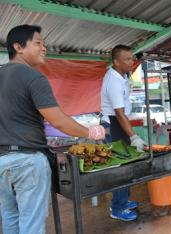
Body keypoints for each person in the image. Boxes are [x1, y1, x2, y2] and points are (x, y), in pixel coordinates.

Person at [0, 25, 105, 234]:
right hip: (27, 162)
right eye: (38, 43)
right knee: (31, 224)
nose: (44, 48)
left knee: (11, 219)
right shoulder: (33, 77)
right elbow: (58, 120)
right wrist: (90, 132)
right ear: (18, 47)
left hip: (1, 161)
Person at [101, 45, 146, 221]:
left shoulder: (121, 75)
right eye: (127, 59)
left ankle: (123, 200)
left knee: (128, 165)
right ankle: (117, 208)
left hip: (119, 121)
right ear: (116, 62)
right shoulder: (113, 80)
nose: (131, 62)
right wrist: (134, 136)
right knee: (121, 168)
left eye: (132, 58)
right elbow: (119, 113)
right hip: (113, 123)